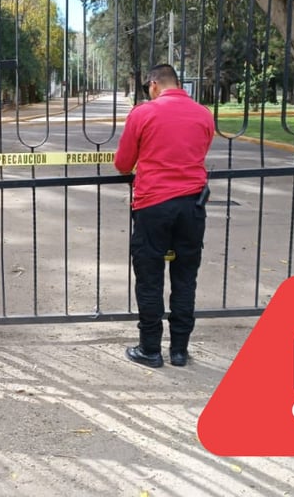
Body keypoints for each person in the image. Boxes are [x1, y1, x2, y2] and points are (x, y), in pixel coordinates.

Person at [114, 64, 215, 368]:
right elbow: (200, 151)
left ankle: (150, 349)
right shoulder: (203, 114)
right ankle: (180, 351)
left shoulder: (144, 113)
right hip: (192, 206)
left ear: (154, 85)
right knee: (185, 277)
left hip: (153, 205)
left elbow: (122, 163)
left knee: (150, 276)